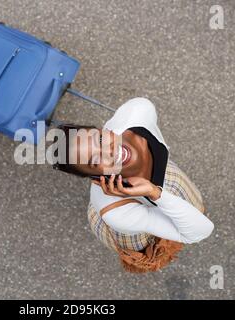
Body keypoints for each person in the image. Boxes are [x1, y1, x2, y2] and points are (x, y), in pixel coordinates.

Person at [52, 97, 214, 272]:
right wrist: (155, 193)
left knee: (181, 201)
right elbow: (200, 232)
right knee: (151, 244)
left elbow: (143, 105)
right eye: (96, 160)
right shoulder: (117, 213)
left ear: (104, 130)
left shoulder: (138, 113)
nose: (110, 152)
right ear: (95, 177)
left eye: (99, 140)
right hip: (127, 224)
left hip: (162, 187)